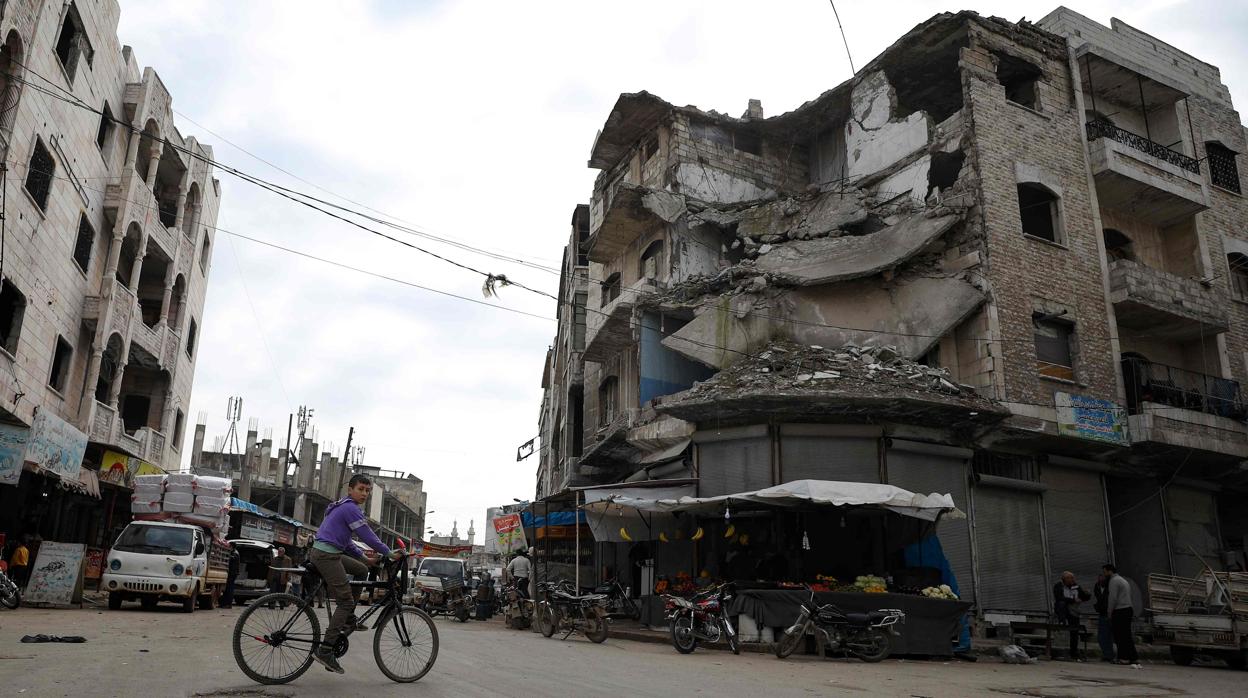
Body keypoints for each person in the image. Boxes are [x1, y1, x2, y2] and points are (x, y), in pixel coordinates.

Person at [310, 474, 400, 674]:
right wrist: (389, 552)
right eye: (361, 489)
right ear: (350, 490)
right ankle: (325, 650)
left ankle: (349, 618)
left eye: (367, 490)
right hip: (327, 556)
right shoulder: (351, 508)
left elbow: (347, 542)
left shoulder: (342, 507)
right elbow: (367, 535)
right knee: (345, 601)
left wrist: (364, 558)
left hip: (328, 552)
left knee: (362, 570)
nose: (365, 494)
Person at [1103, 563, 1138, 665]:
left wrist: (1109, 612)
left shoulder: (1113, 581)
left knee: (1119, 635)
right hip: (1127, 608)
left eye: (1105, 572)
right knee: (1126, 635)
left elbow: (1112, 598)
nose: (1104, 574)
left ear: (1110, 571)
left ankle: (1123, 658)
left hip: (1120, 610)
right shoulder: (1123, 580)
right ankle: (1133, 657)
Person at [1052, 571, 1091, 660]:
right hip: (1063, 610)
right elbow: (1059, 598)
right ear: (1065, 579)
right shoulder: (1059, 586)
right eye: (1070, 578)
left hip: (1074, 611)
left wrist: (1087, 594)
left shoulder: (1076, 586)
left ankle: (1074, 652)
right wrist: (1072, 600)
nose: (1072, 580)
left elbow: (1082, 597)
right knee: (1061, 604)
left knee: (1074, 632)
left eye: (1073, 578)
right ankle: (1062, 621)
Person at [1093, 572, 1116, 662]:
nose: (1100, 580)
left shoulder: (1110, 587)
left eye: (1102, 578)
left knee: (1110, 635)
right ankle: (1107, 654)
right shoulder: (1097, 586)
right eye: (1100, 578)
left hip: (1110, 613)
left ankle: (1111, 654)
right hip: (1103, 613)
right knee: (1102, 636)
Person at [221, 544, 240, 608]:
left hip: (232, 574)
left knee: (229, 589)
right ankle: (225, 603)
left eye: (229, 546)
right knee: (228, 588)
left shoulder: (235, 553)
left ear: (232, 547)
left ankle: (228, 604)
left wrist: (227, 556)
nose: (228, 548)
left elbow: (232, 558)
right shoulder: (234, 552)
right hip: (232, 573)